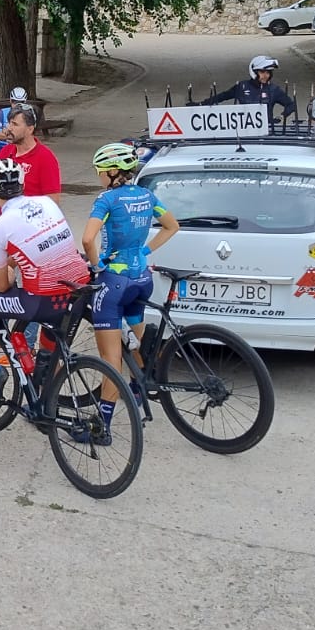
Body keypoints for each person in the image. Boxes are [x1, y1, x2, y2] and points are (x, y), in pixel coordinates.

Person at [0, 159, 92, 407]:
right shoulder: (47, 203)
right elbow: (40, 244)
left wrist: (4, 268)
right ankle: (45, 402)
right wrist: (13, 261)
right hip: (77, 287)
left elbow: (3, 286)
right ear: (22, 183)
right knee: (49, 349)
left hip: (41, 299)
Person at [79, 143, 179, 433]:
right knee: (134, 340)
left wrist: (98, 267)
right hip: (141, 280)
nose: (98, 177)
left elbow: (87, 240)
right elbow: (172, 226)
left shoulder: (107, 199)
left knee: (111, 361)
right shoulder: (146, 196)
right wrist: (146, 252)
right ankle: (137, 392)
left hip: (114, 282)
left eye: (99, 172)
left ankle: (102, 426)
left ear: (112, 172)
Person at [0, 104, 62, 204]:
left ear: (30, 129)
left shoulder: (45, 158)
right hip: (7, 217)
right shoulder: (6, 151)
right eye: (9, 123)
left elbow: (53, 202)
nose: (9, 128)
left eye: (15, 124)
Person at [203, 55, 297, 123]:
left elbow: (291, 105)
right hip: (244, 131)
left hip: (266, 132)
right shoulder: (242, 86)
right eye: (262, 72)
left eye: (268, 72)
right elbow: (222, 97)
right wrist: (201, 104)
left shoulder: (273, 89)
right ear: (254, 71)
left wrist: (281, 116)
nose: (265, 75)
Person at [0, 86, 30, 155]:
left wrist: (7, 134)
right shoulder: (2, 112)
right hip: (0, 147)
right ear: (10, 100)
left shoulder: (28, 115)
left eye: (20, 102)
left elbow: (28, 136)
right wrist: (17, 136)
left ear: (25, 102)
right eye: (14, 101)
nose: (17, 105)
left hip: (19, 148)